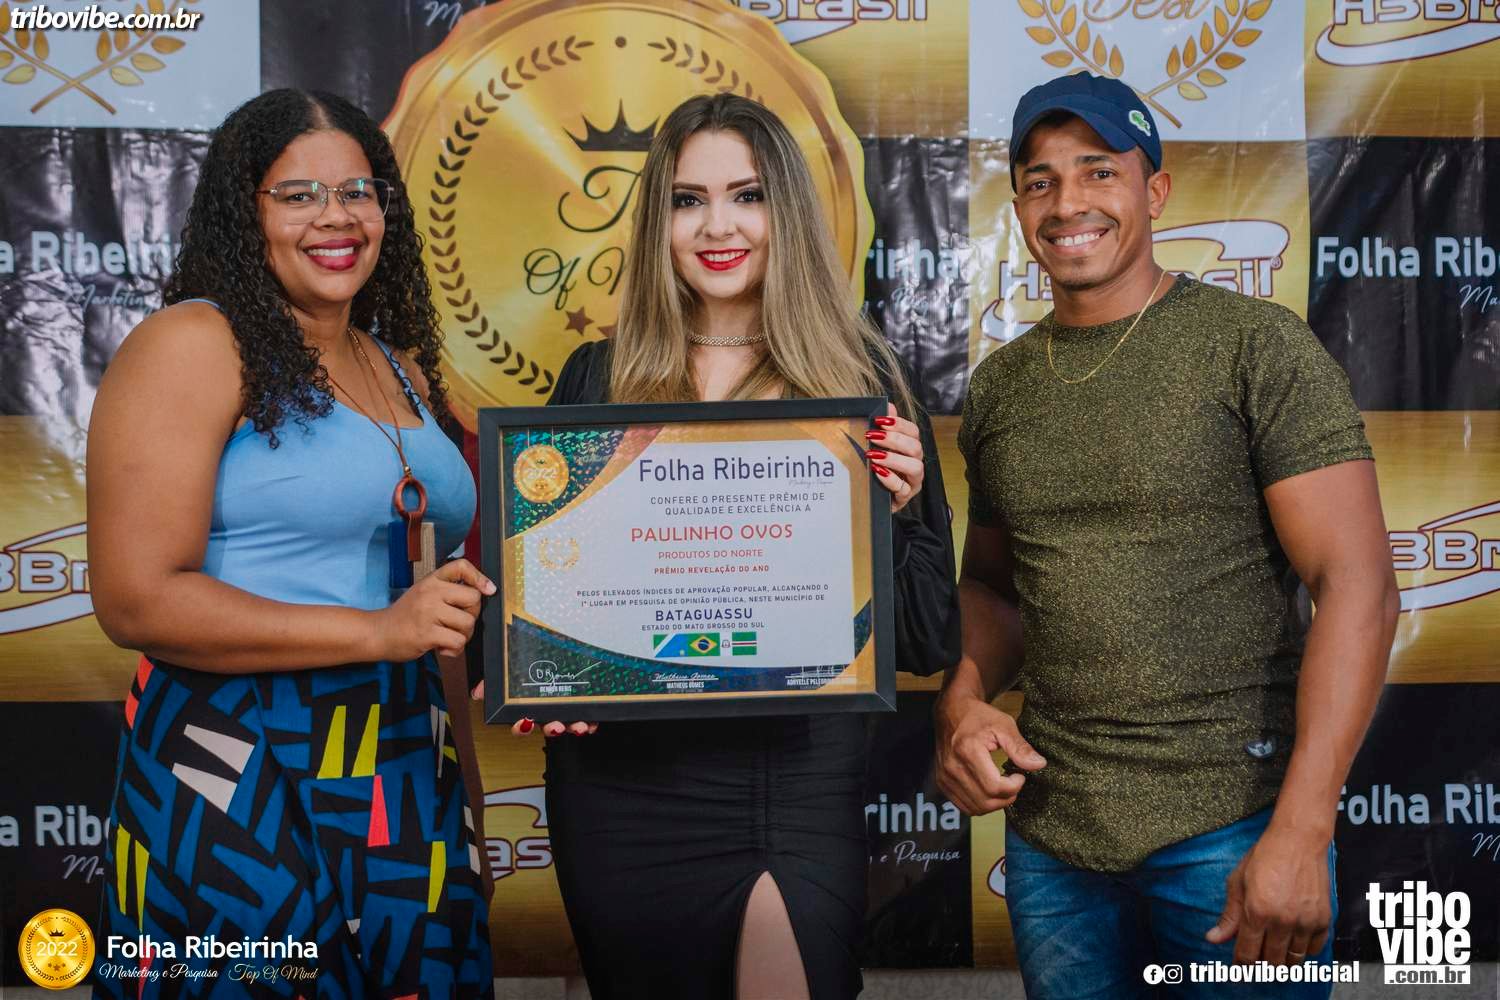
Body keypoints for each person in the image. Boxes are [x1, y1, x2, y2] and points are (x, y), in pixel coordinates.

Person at [935, 73, 1400, 999]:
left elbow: (1359, 586)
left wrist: (1302, 830)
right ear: (1019, 207)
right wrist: (961, 699)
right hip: (1054, 843)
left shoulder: (1254, 346)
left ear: (1155, 190)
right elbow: (994, 589)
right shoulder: (1000, 387)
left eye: (1098, 171)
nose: (1068, 202)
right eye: (1039, 181)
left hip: (1233, 829)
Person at [512, 93, 961, 999]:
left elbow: (924, 637)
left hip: (790, 781)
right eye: (688, 200)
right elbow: (549, 607)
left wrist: (892, 511)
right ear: (659, 222)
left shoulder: (858, 382)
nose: (718, 226)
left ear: (784, 209)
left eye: (746, 195)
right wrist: (551, 680)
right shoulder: (597, 379)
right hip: (621, 788)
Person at [87, 89, 495, 998]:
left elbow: (430, 609)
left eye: (356, 192)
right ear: (248, 213)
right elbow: (135, 599)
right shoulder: (193, 343)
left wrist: (463, 802)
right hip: (236, 761)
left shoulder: (399, 366)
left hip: (402, 763)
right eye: (299, 195)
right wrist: (377, 633)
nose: (335, 217)